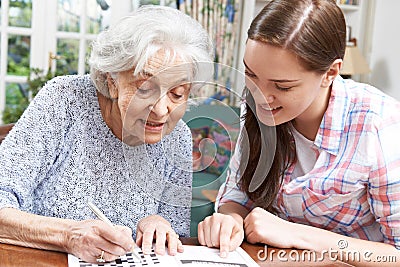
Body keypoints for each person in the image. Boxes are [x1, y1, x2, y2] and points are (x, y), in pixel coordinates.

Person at [0, 5, 213, 264]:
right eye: (145, 89)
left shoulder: (178, 138)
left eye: (178, 93)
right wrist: (68, 235)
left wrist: (159, 225)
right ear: (112, 81)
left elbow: (176, 237)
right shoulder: (64, 100)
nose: (160, 110)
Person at [198, 0, 400, 265]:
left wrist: (297, 235)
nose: (260, 96)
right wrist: (230, 220)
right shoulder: (259, 107)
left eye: (282, 86)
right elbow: (237, 195)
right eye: (251, 74)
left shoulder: (379, 125)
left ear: (330, 72)